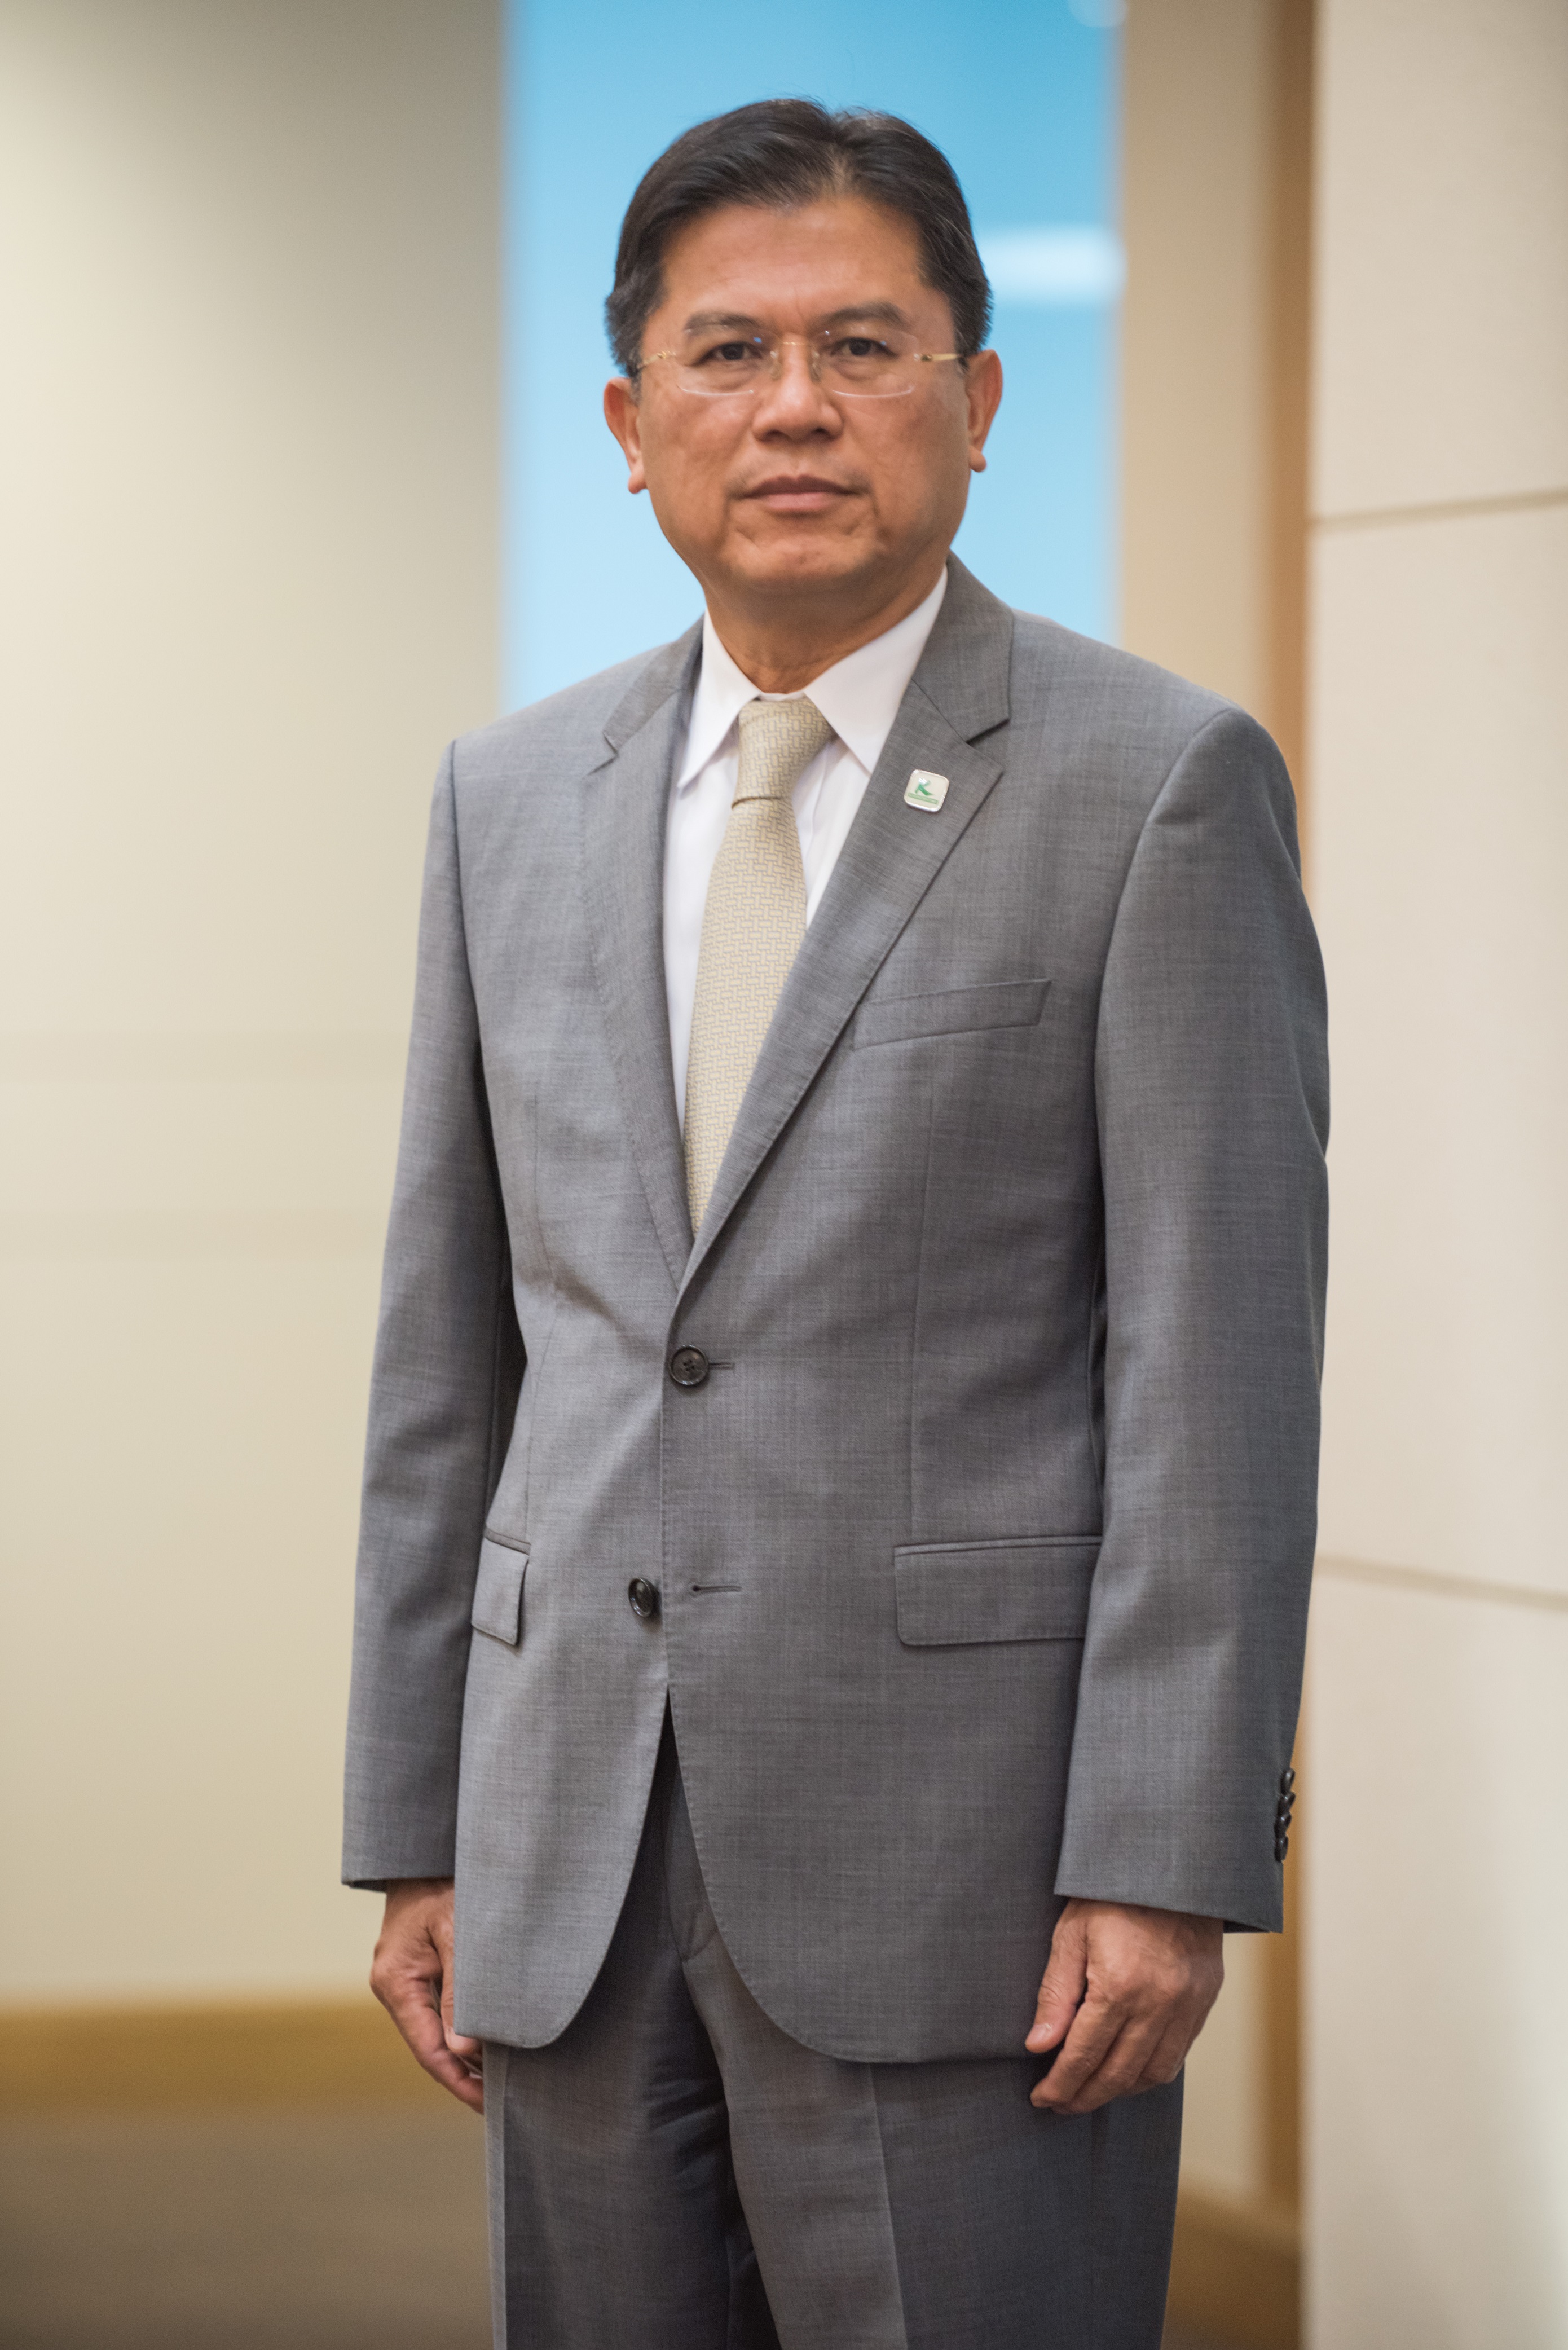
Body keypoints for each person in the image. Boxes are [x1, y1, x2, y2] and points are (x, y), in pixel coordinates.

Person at [343, 98, 1327, 2350]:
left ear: (974, 401)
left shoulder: (1153, 786)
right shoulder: (510, 796)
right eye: (727, 353)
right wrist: (417, 1814)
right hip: (566, 1840)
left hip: (972, 1879)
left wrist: (1160, 1851)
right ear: (629, 427)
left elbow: (1213, 1370)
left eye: (861, 348)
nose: (791, 407)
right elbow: (449, 1359)